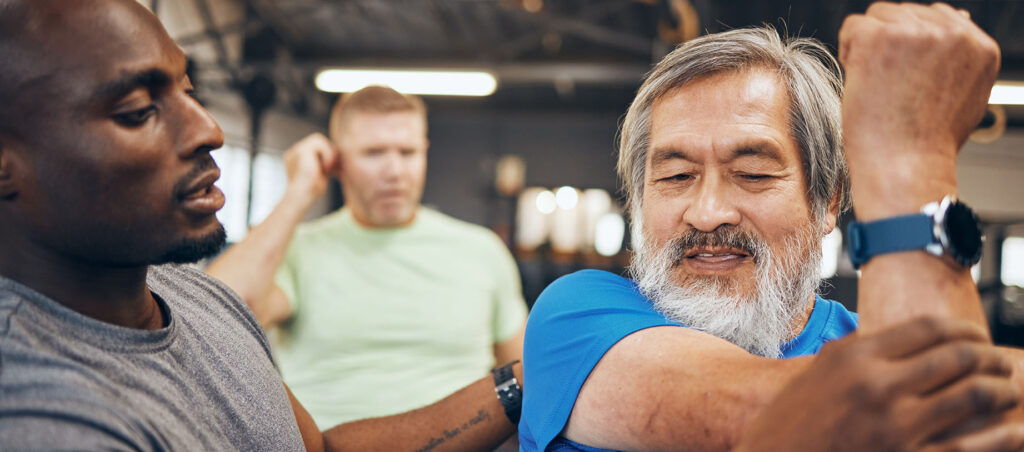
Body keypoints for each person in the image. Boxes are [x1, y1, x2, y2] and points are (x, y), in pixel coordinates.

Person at [0, 1, 521, 450]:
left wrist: (527, 381)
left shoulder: (194, 298)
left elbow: (319, 448)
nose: (210, 129)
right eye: (138, 110)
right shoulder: (41, 411)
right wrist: (299, 193)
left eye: (189, 91)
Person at [519, 3, 1017, 451]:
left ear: (828, 203)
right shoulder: (576, 318)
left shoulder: (867, 337)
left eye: (753, 174)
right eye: (675, 177)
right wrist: (916, 156)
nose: (708, 212)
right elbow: (919, 421)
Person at [205, 85, 529, 428]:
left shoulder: (481, 250)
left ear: (425, 152)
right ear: (336, 160)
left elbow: (528, 377)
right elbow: (211, 319)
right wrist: (297, 194)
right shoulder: (297, 248)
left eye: (408, 152)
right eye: (373, 153)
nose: (394, 171)